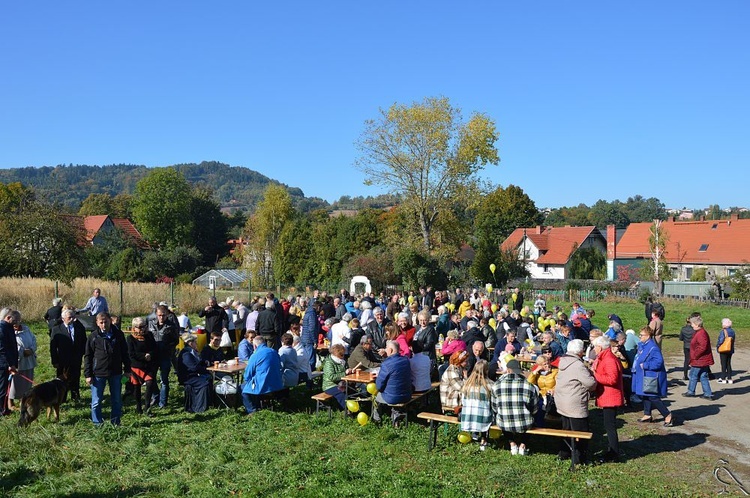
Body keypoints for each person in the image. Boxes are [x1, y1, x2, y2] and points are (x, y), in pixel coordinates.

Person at [84, 312, 131, 426]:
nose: (104, 325)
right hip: (98, 373)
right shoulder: (93, 337)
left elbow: (125, 353)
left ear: (110, 320)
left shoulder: (118, 335)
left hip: (116, 372)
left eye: (106, 322)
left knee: (116, 400)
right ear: (97, 323)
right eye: (101, 322)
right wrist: (88, 374)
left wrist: (128, 370)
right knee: (96, 401)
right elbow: (88, 356)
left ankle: (115, 422)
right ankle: (97, 423)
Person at [554, 339, 596, 464]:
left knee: (566, 428)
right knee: (581, 432)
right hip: (574, 403)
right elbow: (590, 383)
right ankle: (579, 458)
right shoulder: (578, 365)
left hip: (562, 400)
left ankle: (564, 453)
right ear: (579, 351)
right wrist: (593, 376)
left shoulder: (563, 361)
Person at [492, 359, 539, 456]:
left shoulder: (496, 385)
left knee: (503, 417)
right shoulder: (529, 386)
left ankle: (512, 443)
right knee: (532, 418)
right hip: (525, 423)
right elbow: (535, 409)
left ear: (508, 370)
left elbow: (494, 408)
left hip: (504, 422)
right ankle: (523, 444)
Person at [591, 335, 624, 462]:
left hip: (610, 397)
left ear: (600, 347)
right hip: (607, 396)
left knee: (610, 426)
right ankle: (612, 450)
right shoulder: (605, 357)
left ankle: (614, 453)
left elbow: (612, 379)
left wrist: (595, 375)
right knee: (608, 425)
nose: (594, 349)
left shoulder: (609, 359)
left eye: (595, 346)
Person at [632, 327, 673, 425]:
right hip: (643, 375)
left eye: (642, 335)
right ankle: (647, 414)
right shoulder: (643, 346)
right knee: (645, 395)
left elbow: (659, 362)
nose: (640, 337)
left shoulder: (653, 348)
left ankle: (667, 415)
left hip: (650, 376)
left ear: (648, 336)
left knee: (653, 397)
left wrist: (645, 365)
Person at [50, 308, 87, 401]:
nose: (73, 319)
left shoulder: (79, 328)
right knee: (62, 379)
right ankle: (62, 397)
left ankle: (75, 395)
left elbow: (84, 341)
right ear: (63, 319)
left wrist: (81, 353)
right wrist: (54, 360)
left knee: (76, 376)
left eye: (74, 317)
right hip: (62, 360)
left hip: (76, 358)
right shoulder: (56, 329)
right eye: (70, 317)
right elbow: (53, 347)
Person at [148, 304, 179, 409]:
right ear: (156, 315)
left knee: (164, 380)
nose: (161, 317)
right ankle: (155, 396)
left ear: (167, 315)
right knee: (150, 379)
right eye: (160, 315)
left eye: (164, 315)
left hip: (165, 356)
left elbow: (176, 341)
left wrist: (167, 348)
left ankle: (163, 402)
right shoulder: (151, 325)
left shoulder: (171, 326)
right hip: (153, 356)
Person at [373, 340, 412, 425]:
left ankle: (377, 420)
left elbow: (379, 386)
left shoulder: (386, 364)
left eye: (386, 348)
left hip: (392, 397)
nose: (385, 350)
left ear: (390, 350)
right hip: (407, 395)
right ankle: (396, 414)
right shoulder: (406, 361)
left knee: (376, 397)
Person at [242, 336, 283, 415]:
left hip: (264, 384)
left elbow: (247, 374)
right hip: (277, 382)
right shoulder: (274, 351)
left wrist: (248, 381)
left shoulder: (255, 355)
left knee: (244, 390)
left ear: (255, 346)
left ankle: (252, 411)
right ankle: (258, 405)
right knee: (253, 385)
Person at [460, 359, 493, 451]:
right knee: (486, 410)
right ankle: (483, 440)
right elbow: (494, 403)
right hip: (483, 418)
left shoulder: (467, 384)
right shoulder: (490, 385)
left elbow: (463, 400)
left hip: (468, 416)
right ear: (486, 370)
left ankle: (474, 435)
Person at [127, 317, 158, 416]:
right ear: (134, 328)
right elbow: (131, 354)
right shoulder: (130, 339)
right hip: (136, 366)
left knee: (150, 383)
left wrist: (150, 355)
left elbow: (154, 348)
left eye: (144, 326)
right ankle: (138, 406)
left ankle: (147, 407)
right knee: (137, 388)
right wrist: (143, 356)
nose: (142, 329)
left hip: (148, 366)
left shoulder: (149, 336)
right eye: (139, 327)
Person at [8, 312, 37, 412]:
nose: (16, 324)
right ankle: (10, 403)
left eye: (18, 321)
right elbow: (11, 346)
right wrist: (22, 352)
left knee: (27, 382)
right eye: (14, 321)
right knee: (14, 383)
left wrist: (31, 350)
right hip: (18, 362)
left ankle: (23, 401)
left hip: (29, 360)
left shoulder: (26, 329)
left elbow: (33, 340)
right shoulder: (8, 331)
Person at [178, 334, 212, 413]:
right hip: (188, 377)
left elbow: (196, 362)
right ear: (190, 343)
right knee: (204, 383)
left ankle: (209, 402)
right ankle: (199, 407)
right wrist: (206, 370)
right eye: (195, 342)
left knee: (209, 378)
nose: (196, 344)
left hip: (193, 375)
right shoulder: (186, 354)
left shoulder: (191, 352)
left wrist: (204, 362)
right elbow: (194, 367)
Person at [684, 315, 715, 400]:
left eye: (692, 324)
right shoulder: (700, 332)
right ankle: (708, 394)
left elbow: (702, 347)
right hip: (702, 359)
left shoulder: (701, 333)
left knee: (693, 375)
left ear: (697, 324)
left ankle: (691, 391)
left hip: (699, 359)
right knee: (703, 376)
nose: (691, 325)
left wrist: (695, 355)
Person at [321, 343, 355, 410]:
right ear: (336, 354)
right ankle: (347, 410)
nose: (343, 356)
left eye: (343, 354)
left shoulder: (342, 361)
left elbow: (345, 370)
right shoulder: (329, 363)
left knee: (353, 390)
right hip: (330, 386)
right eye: (341, 354)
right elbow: (331, 377)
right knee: (341, 394)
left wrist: (349, 370)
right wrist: (345, 373)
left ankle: (356, 406)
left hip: (341, 383)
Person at [527, 355, 558, 427]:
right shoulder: (538, 374)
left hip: (551, 395)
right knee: (538, 405)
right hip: (541, 395)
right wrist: (535, 372)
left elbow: (559, 384)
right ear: (540, 366)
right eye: (545, 364)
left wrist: (553, 390)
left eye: (548, 363)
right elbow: (529, 383)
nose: (547, 366)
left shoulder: (555, 371)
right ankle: (539, 425)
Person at [0, 309, 19, 416]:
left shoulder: (8, 327)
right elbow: (2, 350)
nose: (17, 323)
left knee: (6, 388)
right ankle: (2, 411)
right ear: (8, 318)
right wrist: (9, 365)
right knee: (2, 388)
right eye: (15, 320)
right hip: (3, 365)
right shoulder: (2, 329)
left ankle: (5, 408)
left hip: (9, 364)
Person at [717, 318, 736, 384]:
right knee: (728, 363)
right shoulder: (732, 331)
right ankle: (730, 378)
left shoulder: (723, 331)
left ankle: (723, 378)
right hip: (730, 349)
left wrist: (718, 346)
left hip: (723, 349)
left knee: (723, 364)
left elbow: (721, 340)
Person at [678, 315, 697, 381]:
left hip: (686, 345)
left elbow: (681, 338)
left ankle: (685, 375)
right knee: (694, 359)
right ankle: (694, 374)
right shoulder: (694, 329)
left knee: (686, 360)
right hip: (693, 346)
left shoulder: (683, 329)